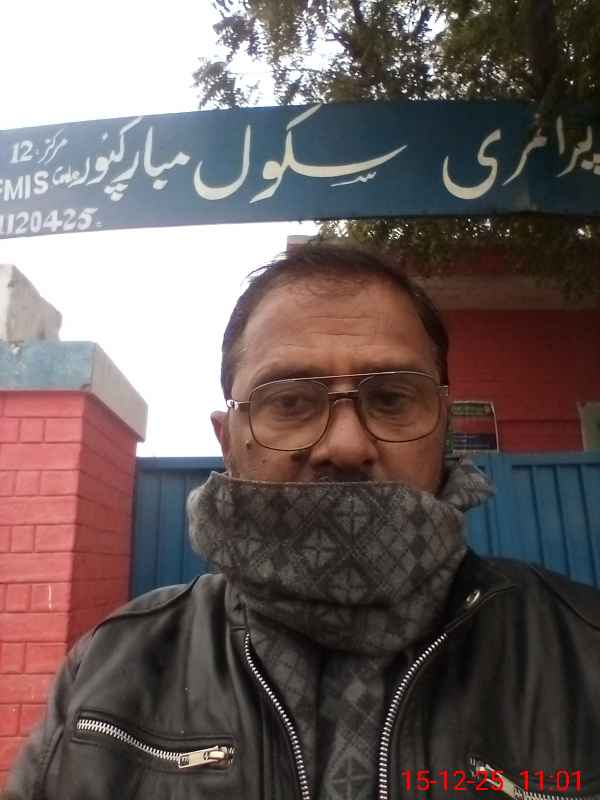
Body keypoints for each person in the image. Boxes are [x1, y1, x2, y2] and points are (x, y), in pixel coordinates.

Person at [6, 243, 600, 800]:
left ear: (443, 426)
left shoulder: (584, 650)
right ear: (227, 441)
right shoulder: (108, 672)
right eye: (290, 401)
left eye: (391, 398)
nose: (345, 445)